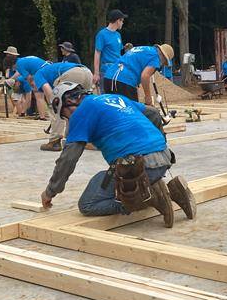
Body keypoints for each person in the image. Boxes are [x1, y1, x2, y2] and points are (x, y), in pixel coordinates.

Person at [40, 82, 197, 226]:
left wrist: (50, 191)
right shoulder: (113, 98)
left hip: (140, 166)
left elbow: (68, 159)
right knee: (101, 178)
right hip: (164, 157)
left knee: (88, 204)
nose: (69, 121)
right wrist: (157, 144)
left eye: (65, 116)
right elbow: (154, 113)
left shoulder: (81, 112)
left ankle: (151, 197)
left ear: (67, 104)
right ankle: (170, 190)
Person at [32, 60, 94, 151]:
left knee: (58, 106)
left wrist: (54, 106)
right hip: (88, 73)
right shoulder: (52, 70)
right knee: (82, 107)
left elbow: (50, 94)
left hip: (73, 74)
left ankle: (54, 141)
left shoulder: (38, 74)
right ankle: (84, 138)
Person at [103, 44, 174, 104]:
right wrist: (148, 96)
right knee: (132, 113)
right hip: (124, 81)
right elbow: (145, 76)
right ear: (163, 57)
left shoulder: (145, 49)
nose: (161, 64)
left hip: (108, 77)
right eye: (164, 62)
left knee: (113, 110)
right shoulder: (156, 57)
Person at [93, 9, 127, 89]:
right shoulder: (102, 34)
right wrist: (96, 73)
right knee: (106, 97)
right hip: (106, 71)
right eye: (122, 21)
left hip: (118, 70)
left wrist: (126, 48)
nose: (123, 23)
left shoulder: (118, 35)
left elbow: (118, 51)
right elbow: (97, 54)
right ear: (118, 21)